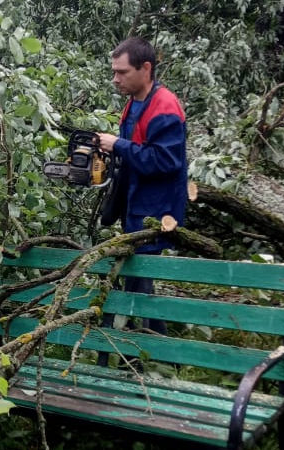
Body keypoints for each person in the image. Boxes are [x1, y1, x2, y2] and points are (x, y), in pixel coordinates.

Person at [97, 37, 188, 335]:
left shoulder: (165, 107)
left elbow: (165, 162)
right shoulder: (133, 103)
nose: (115, 79)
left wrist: (119, 145)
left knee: (140, 280)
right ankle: (142, 351)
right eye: (114, 71)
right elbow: (136, 152)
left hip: (156, 210)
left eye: (122, 72)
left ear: (145, 68)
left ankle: (151, 351)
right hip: (134, 207)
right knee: (136, 280)